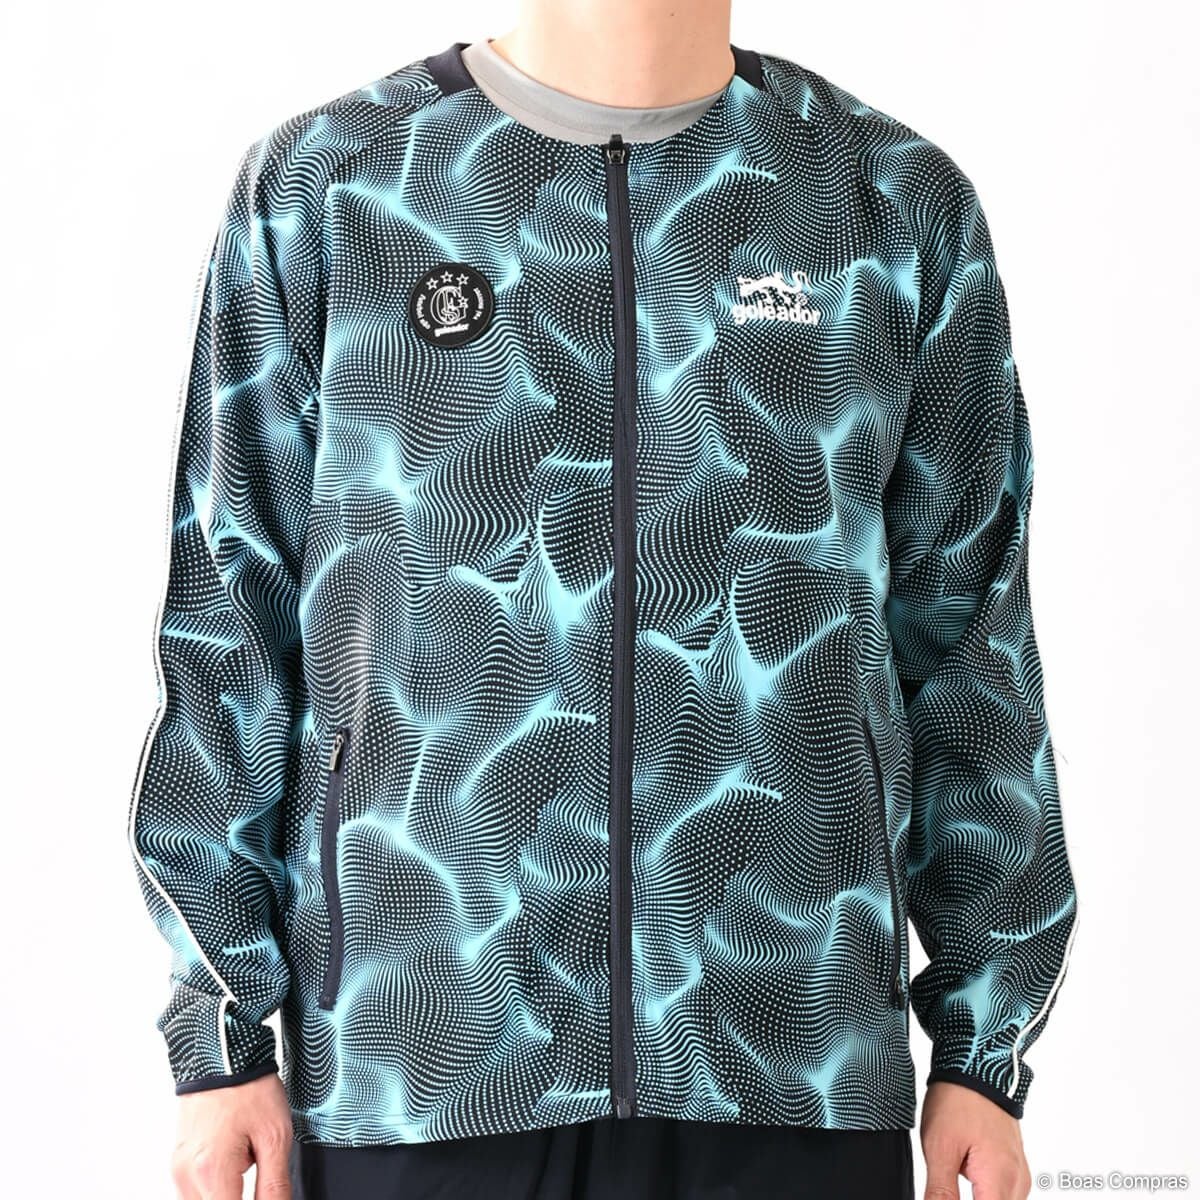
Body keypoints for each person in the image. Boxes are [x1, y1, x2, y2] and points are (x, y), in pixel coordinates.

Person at [125, 3, 1079, 1198]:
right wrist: (221, 1033)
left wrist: (985, 1046)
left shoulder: (886, 201)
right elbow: (230, 622)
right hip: (416, 1056)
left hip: (793, 1050)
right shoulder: (336, 185)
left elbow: (972, 639)